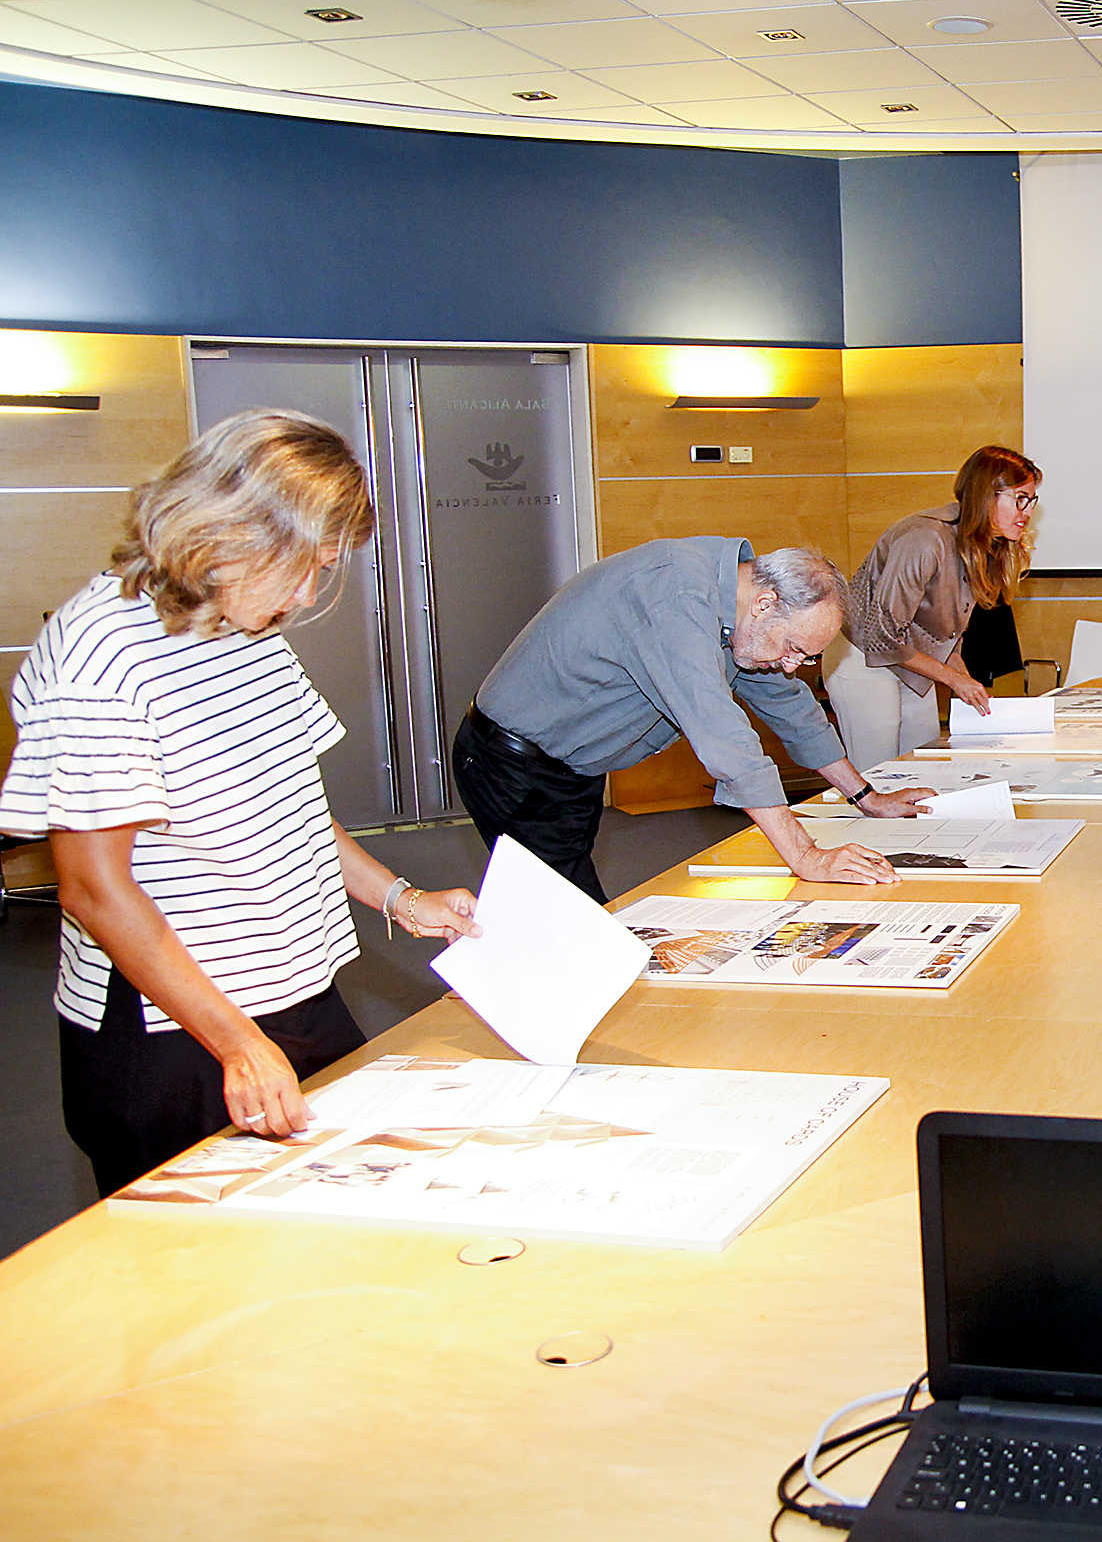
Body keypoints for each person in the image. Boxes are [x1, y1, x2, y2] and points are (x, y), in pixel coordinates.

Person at [0, 410, 480, 1194]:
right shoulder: (100, 654)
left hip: (291, 987)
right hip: (173, 1026)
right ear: (230, 532)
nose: (308, 594)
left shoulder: (246, 627)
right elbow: (93, 888)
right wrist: (236, 1042)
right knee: (200, 1250)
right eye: (303, 566)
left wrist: (402, 897)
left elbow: (290, 806)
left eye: (325, 568)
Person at [455, 540, 930, 902]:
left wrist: (866, 797)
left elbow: (791, 706)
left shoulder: (741, 613)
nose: (791, 665)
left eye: (804, 657)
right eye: (793, 648)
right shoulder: (675, 597)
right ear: (765, 604)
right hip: (512, 762)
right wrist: (806, 857)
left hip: (571, 768)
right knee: (571, 925)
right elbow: (724, 738)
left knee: (563, 915)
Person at [826, 445, 1040, 773]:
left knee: (923, 764)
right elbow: (881, 635)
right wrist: (954, 680)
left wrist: (965, 680)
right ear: (986, 496)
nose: (1027, 511)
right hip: (863, 657)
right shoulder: (925, 539)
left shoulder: (983, 546)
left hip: (910, 659)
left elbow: (946, 634)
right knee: (878, 773)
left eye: (1031, 500)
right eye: (1020, 499)